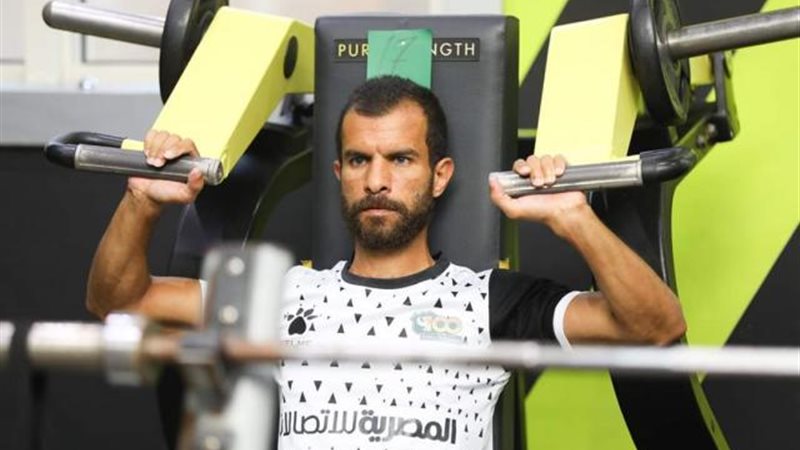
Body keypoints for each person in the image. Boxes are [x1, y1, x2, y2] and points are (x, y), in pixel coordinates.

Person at [86, 76, 685, 449]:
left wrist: (573, 217)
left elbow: (656, 325)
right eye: (359, 160)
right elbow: (119, 301)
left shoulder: (489, 302)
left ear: (439, 175)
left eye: (400, 159)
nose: (377, 180)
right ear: (339, 173)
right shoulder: (286, 295)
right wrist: (141, 200)